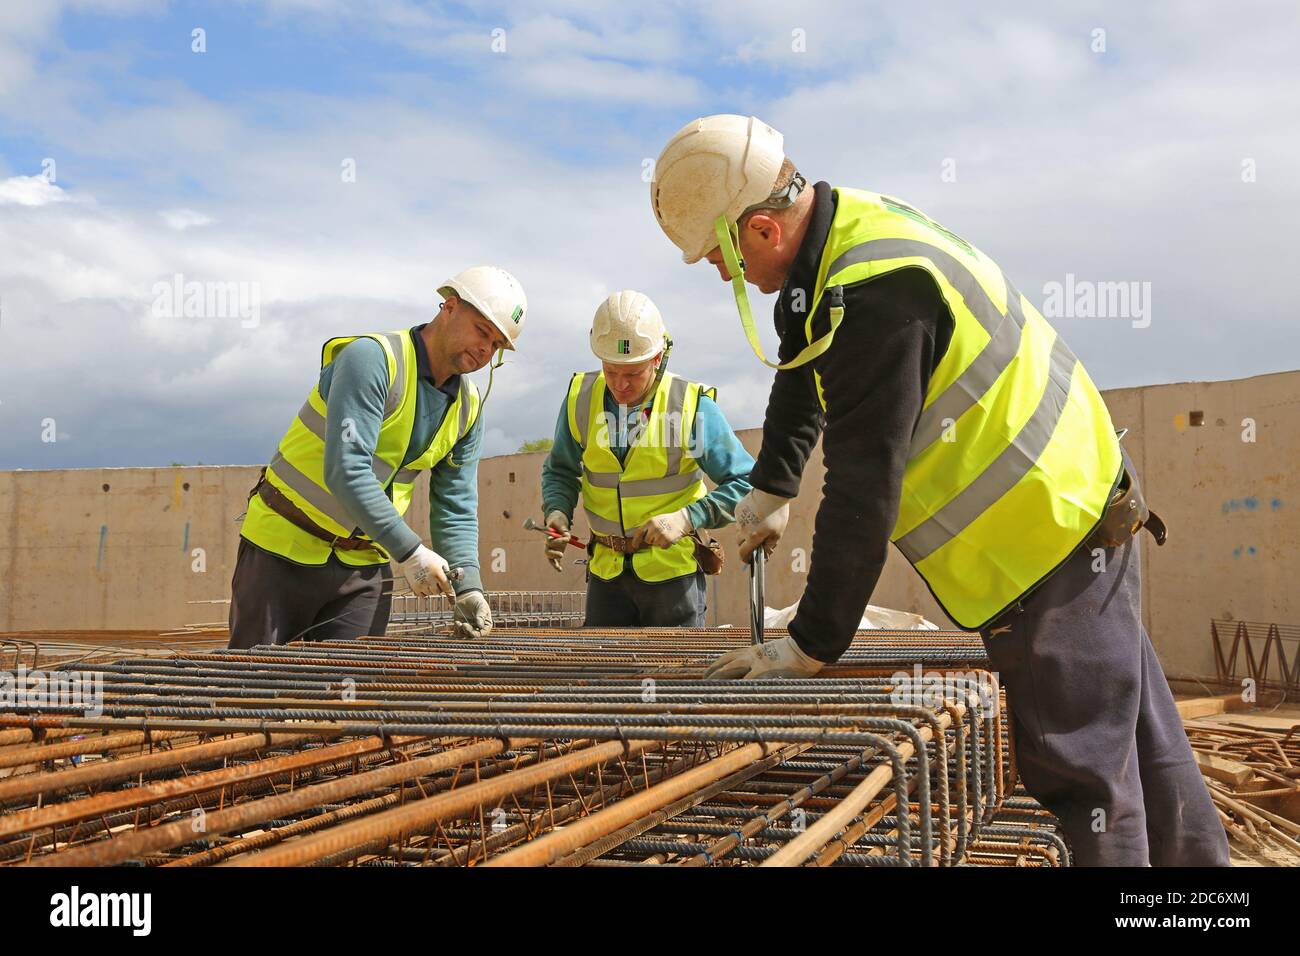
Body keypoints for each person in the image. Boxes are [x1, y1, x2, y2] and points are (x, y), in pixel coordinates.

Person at [647, 114, 1228, 866]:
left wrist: (812, 644)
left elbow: (864, 485)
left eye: (718, 258)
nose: (723, 276)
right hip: (1078, 505)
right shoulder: (843, 235)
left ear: (759, 230)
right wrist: (771, 488)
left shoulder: (876, 293)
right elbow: (800, 362)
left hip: (1044, 541)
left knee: (1083, 779)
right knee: (1144, 742)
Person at [228, 266, 527, 648]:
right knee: (256, 688)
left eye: (497, 344)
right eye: (482, 330)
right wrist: (412, 552)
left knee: (345, 699)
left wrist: (468, 585)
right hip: (283, 549)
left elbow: (455, 505)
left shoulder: (468, 408)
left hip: (363, 567)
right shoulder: (372, 360)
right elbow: (346, 470)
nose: (486, 349)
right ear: (449, 308)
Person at [540, 290, 754, 627]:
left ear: (657, 359)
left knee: (673, 675)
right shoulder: (581, 399)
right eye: (611, 371)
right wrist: (557, 510)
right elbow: (560, 471)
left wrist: (687, 518)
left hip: (673, 578)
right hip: (606, 576)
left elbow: (745, 482)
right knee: (605, 678)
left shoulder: (688, 405)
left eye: (633, 373)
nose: (620, 385)